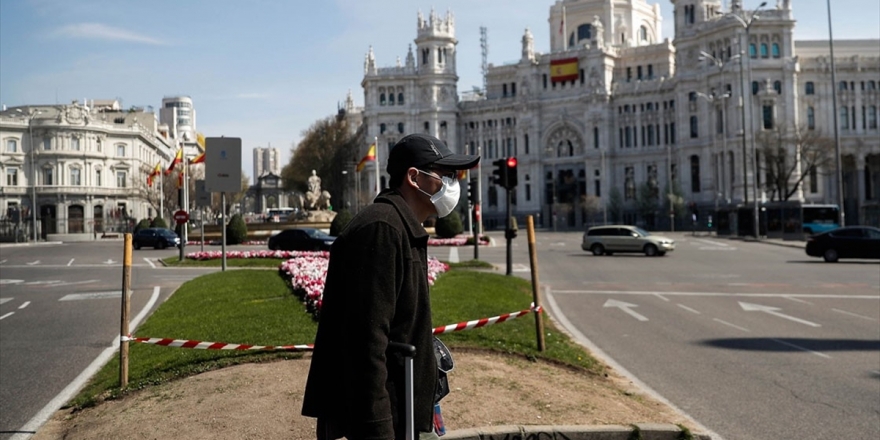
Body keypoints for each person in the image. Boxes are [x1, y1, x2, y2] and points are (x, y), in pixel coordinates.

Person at [302, 133, 480, 440]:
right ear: (414, 177)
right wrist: (378, 431)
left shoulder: (401, 226)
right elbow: (366, 345)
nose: (453, 183)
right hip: (380, 424)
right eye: (447, 175)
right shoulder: (382, 229)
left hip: (403, 414)